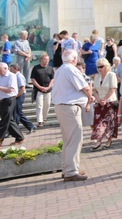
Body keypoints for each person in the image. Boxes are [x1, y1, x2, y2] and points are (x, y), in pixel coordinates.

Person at [52, 49, 93, 181]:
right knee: (75, 139)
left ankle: (67, 169)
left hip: (62, 106)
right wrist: (90, 96)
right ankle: (71, 171)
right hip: (69, 107)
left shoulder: (59, 70)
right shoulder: (70, 69)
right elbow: (84, 87)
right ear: (74, 59)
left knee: (68, 140)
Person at [0, 62, 25, 144]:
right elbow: (0, 89)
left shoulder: (11, 76)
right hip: (2, 100)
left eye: (0, 70)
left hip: (9, 99)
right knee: (9, 120)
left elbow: (10, 89)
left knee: (4, 121)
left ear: (6, 68)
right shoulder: (0, 77)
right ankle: (19, 137)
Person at [90, 58, 118, 150]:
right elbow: (94, 90)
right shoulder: (97, 77)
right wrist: (98, 100)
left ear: (106, 66)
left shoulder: (111, 75)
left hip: (110, 101)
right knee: (98, 122)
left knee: (109, 122)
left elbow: (113, 88)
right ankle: (98, 141)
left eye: (101, 66)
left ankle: (108, 140)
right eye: (98, 67)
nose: (99, 68)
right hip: (99, 102)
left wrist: (105, 99)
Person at [9, 64, 35, 134]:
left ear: (16, 69)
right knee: (18, 113)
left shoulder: (19, 76)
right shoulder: (15, 76)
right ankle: (30, 126)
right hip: (17, 95)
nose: (10, 71)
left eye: (11, 69)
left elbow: (22, 88)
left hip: (20, 95)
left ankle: (15, 130)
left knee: (17, 113)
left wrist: (16, 96)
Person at [30, 53, 54, 127]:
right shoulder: (36, 68)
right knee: (39, 105)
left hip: (48, 90)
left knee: (47, 105)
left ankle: (44, 118)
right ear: (41, 60)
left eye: (48, 60)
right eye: (45, 59)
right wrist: (39, 87)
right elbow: (33, 79)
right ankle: (39, 121)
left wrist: (49, 87)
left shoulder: (50, 68)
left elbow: (53, 79)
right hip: (38, 90)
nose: (46, 61)